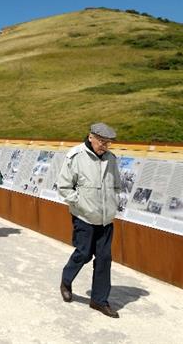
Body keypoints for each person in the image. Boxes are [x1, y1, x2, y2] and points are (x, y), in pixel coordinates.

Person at [57, 123, 122, 318]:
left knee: (104, 259)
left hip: (105, 219)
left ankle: (99, 300)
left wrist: (113, 203)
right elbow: (64, 187)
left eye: (107, 143)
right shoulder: (75, 156)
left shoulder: (111, 159)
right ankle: (66, 280)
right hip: (84, 217)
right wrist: (81, 204)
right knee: (84, 253)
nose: (104, 146)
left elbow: (117, 186)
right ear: (91, 137)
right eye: (101, 141)